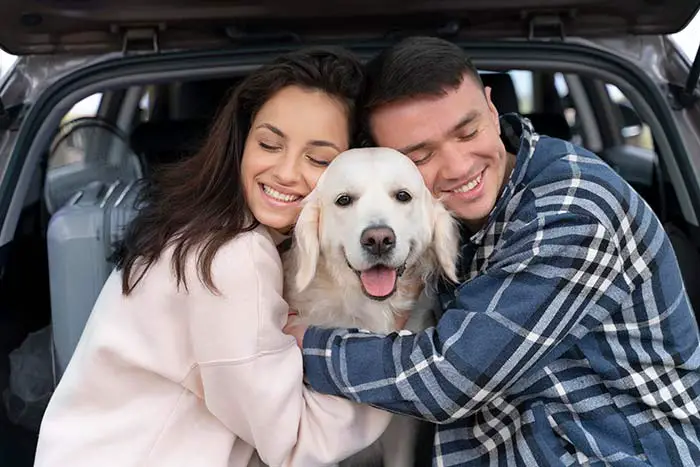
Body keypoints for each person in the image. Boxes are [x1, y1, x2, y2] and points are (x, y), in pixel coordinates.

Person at [285, 36, 700, 466]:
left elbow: (450, 379)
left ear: (491, 106)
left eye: (468, 131)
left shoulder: (574, 210)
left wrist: (302, 345)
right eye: (421, 154)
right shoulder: (444, 218)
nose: (459, 166)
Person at [34, 47, 393, 467]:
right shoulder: (233, 257)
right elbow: (296, 443)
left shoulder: (200, 222)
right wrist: (395, 364)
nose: (287, 172)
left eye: (317, 158)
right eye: (270, 144)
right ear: (242, 141)